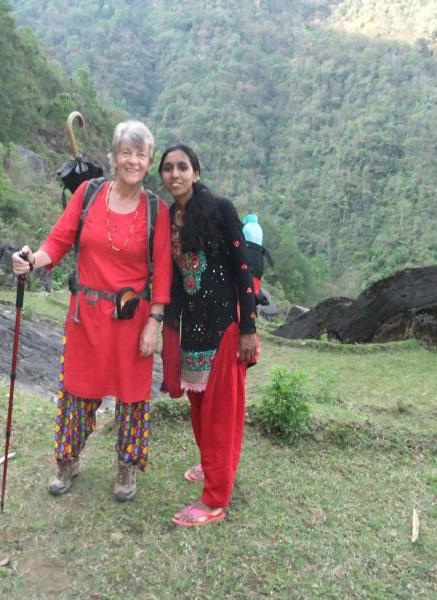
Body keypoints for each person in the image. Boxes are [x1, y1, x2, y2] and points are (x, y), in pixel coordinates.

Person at [12, 121, 171, 501]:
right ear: (114, 157)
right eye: (126, 153)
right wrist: (33, 260)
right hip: (86, 316)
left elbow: (163, 270)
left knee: (133, 397)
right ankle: (67, 461)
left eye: (141, 154)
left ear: (149, 162)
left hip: (133, 320)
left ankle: (127, 468)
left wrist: (155, 323)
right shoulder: (87, 194)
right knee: (77, 390)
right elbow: (59, 240)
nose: (133, 161)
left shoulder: (156, 210)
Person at [158, 144, 258, 526]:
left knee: (220, 415)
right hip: (193, 330)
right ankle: (214, 465)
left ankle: (215, 499)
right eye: (167, 168)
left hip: (225, 329)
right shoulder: (170, 218)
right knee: (200, 412)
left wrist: (248, 328)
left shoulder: (220, 210)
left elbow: (243, 270)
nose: (175, 174)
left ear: (195, 172)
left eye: (182, 167)